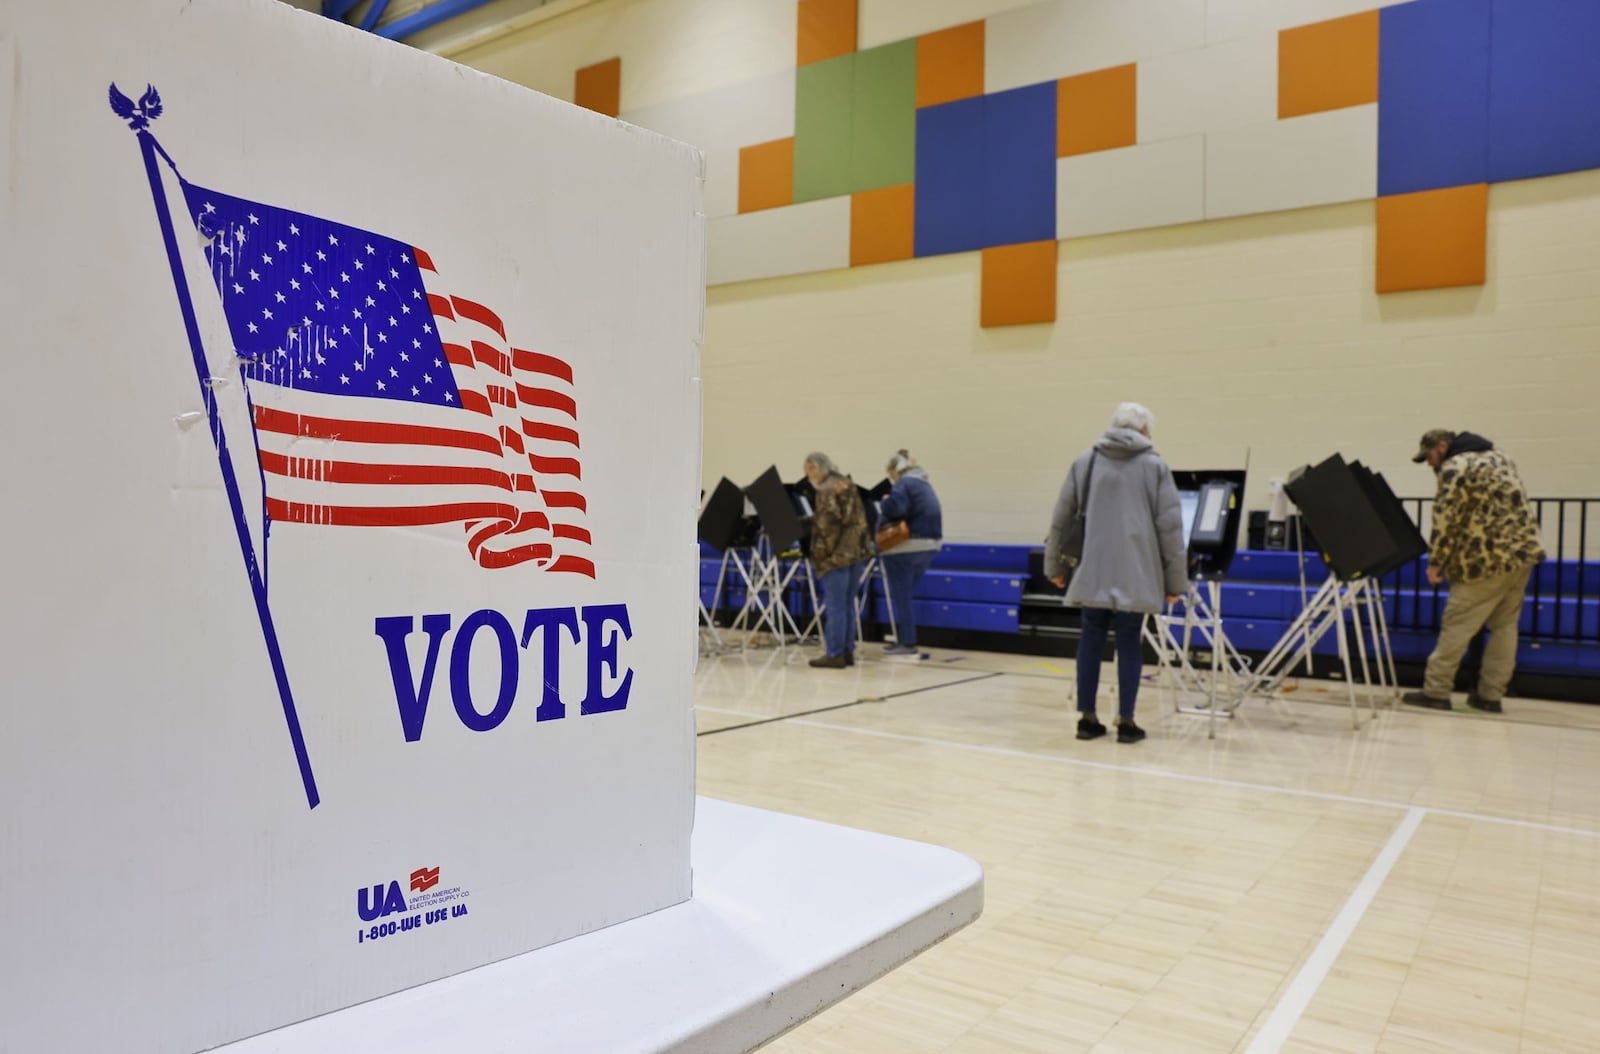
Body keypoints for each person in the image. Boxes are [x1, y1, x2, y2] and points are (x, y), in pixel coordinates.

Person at [1045, 403, 1187, 743]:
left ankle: (1087, 719)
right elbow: (1170, 529)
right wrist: (1175, 581)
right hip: (1137, 573)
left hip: (1092, 569)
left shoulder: (1086, 462)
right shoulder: (1155, 466)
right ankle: (1126, 722)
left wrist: (1054, 566)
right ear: (1144, 431)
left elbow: (1061, 518)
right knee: (1129, 643)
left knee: (1090, 640)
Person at [1401, 429, 1545, 713]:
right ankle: (1489, 696)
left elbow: (1446, 518)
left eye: (1429, 457)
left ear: (1442, 447)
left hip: (1485, 560)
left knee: (1457, 624)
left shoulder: (1455, 467)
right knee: (1505, 626)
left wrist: (1436, 561)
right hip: (1522, 554)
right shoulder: (1500, 457)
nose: (1430, 464)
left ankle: (1436, 690)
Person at [803, 452, 874, 669]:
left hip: (837, 556)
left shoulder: (826, 489)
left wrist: (820, 556)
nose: (808, 477)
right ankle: (847, 651)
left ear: (815, 467)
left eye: (808, 472)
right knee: (847, 605)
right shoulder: (846, 483)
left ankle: (834, 653)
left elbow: (827, 526)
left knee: (835, 607)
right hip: (857, 552)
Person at [876, 450, 943, 659]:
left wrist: (886, 500)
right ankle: (906, 638)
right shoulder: (924, 484)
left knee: (901, 595)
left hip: (907, 546)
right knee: (905, 594)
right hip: (930, 545)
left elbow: (896, 508)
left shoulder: (904, 484)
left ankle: (907, 642)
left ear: (896, 471)